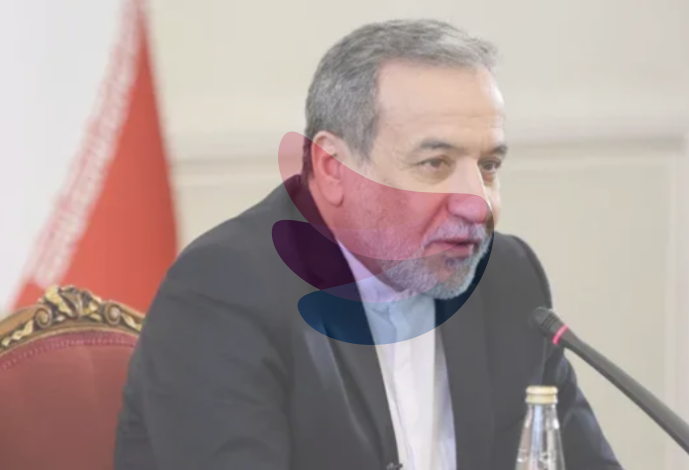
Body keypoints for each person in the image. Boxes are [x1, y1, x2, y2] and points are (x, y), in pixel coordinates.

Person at [114, 18, 623, 470]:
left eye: (489, 166)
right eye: (435, 164)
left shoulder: (506, 279)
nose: (478, 204)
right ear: (333, 169)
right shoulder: (225, 290)